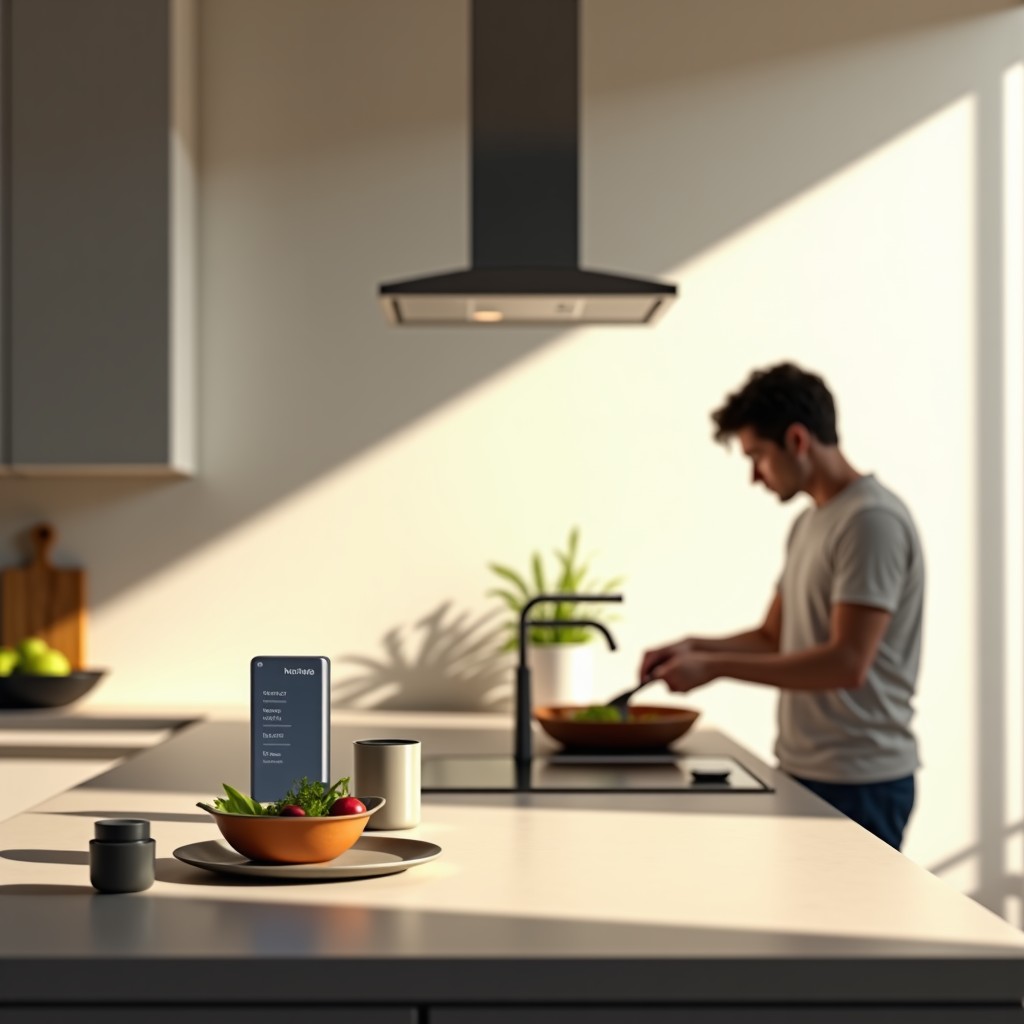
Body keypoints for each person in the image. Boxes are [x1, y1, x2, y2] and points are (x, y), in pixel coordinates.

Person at [640, 362, 924, 850]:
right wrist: (692, 646)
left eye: (758, 456)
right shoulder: (811, 523)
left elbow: (847, 662)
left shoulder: (870, 521)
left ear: (797, 440)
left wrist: (713, 666)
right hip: (804, 768)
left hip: (860, 782)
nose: (754, 476)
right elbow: (773, 636)